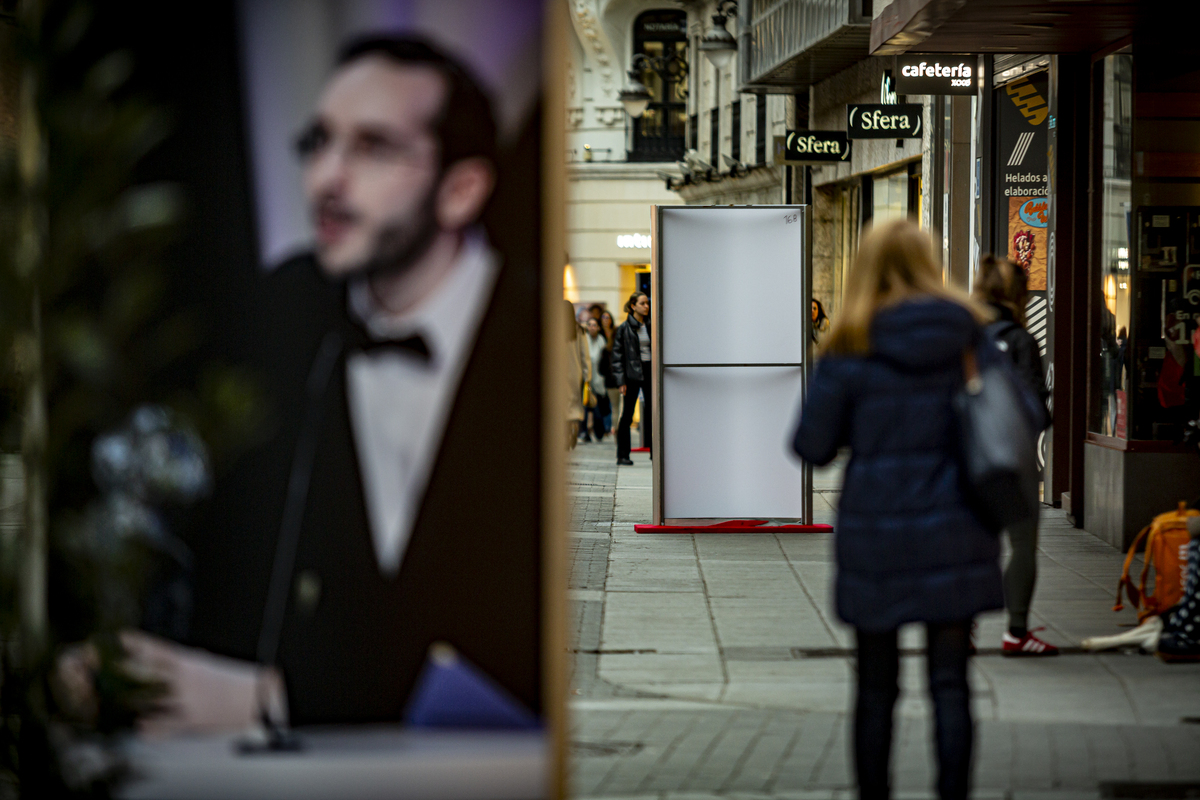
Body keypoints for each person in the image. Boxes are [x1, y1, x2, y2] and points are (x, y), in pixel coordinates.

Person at [123, 36, 542, 732]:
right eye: (319, 143)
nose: (327, 178)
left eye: (374, 148)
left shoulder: (532, 340)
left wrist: (279, 701)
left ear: (461, 189)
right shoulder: (278, 314)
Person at [792, 219, 1004, 800]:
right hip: (958, 526)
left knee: (876, 687)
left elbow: (811, 446)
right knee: (951, 683)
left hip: (876, 533)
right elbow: (1015, 413)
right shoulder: (968, 333)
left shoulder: (852, 340)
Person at [972, 255, 1056, 656]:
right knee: (1022, 543)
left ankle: (961, 628)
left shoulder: (963, 335)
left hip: (965, 457)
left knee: (968, 543)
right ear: (1017, 295)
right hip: (1013, 459)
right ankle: (1016, 633)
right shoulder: (1021, 340)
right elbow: (1035, 408)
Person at [612, 291, 651, 466]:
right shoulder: (624, 328)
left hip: (650, 372)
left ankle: (654, 452)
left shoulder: (651, 325)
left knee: (653, 414)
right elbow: (617, 356)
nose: (646, 306)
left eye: (647, 303)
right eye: (642, 303)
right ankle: (622, 455)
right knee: (627, 415)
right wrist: (621, 381)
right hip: (631, 375)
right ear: (633, 306)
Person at [566, 300, 590, 449]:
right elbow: (585, 356)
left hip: (559, 376)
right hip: (576, 374)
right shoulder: (579, 330)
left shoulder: (553, 328)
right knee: (575, 406)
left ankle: (565, 434)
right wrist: (587, 376)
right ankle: (574, 427)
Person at [583, 317, 610, 442]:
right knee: (584, 407)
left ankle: (599, 431)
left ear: (598, 327)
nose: (592, 327)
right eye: (590, 325)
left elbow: (603, 361)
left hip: (599, 380)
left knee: (597, 408)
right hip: (586, 380)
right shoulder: (584, 340)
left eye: (594, 325)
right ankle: (584, 433)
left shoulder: (602, 341)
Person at [600, 310, 620, 434]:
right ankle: (618, 429)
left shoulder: (605, 349)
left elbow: (601, 368)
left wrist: (607, 375)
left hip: (610, 382)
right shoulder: (622, 350)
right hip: (622, 381)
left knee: (615, 407)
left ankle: (615, 429)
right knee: (620, 409)